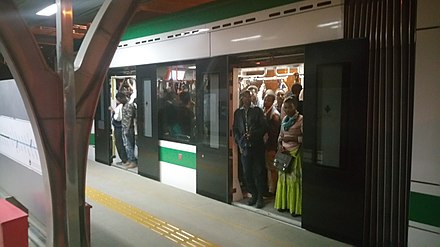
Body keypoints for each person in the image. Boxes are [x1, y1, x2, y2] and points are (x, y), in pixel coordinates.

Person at [233, 90, 268, 208]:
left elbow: (264, 127)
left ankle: (260, 197)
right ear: (242, 98)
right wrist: (239, 143)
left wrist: (253, 134)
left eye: (248, 96)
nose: (247, 99)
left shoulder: (257, 111)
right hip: (244, 147)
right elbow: (236, 130)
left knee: (258, 172)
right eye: (244, 97)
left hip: (257, 146)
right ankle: (253, 194)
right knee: (247, 173)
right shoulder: (238, 113)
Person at [274, 95, 303, 216]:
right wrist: (280, 144)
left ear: (295, 106)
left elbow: (305, 138)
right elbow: (280, 135)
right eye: (285, 107)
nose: (286, 109)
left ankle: (294, 208)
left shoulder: (301, 119)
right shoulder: (284, 119)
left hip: (295, 153)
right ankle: (283, 204)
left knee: (294, 181)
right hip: (284, 152)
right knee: (283, 179)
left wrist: (291, 138)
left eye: (289, 107)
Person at [262, 90, 281, 195]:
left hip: (271, 146)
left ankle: (272, 190)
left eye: (268, 100)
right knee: (268, 167)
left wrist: (272, 148)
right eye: (265, 99)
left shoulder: (274, 115)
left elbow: (274, 134)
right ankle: (270, 188)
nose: (265, 101)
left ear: (273, 102)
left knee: (272, 168)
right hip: (265, 145)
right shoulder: (265, 111)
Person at [108, 92, 128, 166]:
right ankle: (125, 159)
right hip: (124, 127)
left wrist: (113, 111)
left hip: (119, 127)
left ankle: (124, 160)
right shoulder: (127, 104)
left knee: (119, 143)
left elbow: (117, 118)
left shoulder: (120, 106)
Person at [121, 91, 137, 169]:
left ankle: (132, 161)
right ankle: (130, 160)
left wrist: (127, 129)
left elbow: (130, 118)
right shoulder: (124, 105)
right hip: (125, 127)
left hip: (128, 128)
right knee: (126, 145)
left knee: (129, 145)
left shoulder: (129, 105)